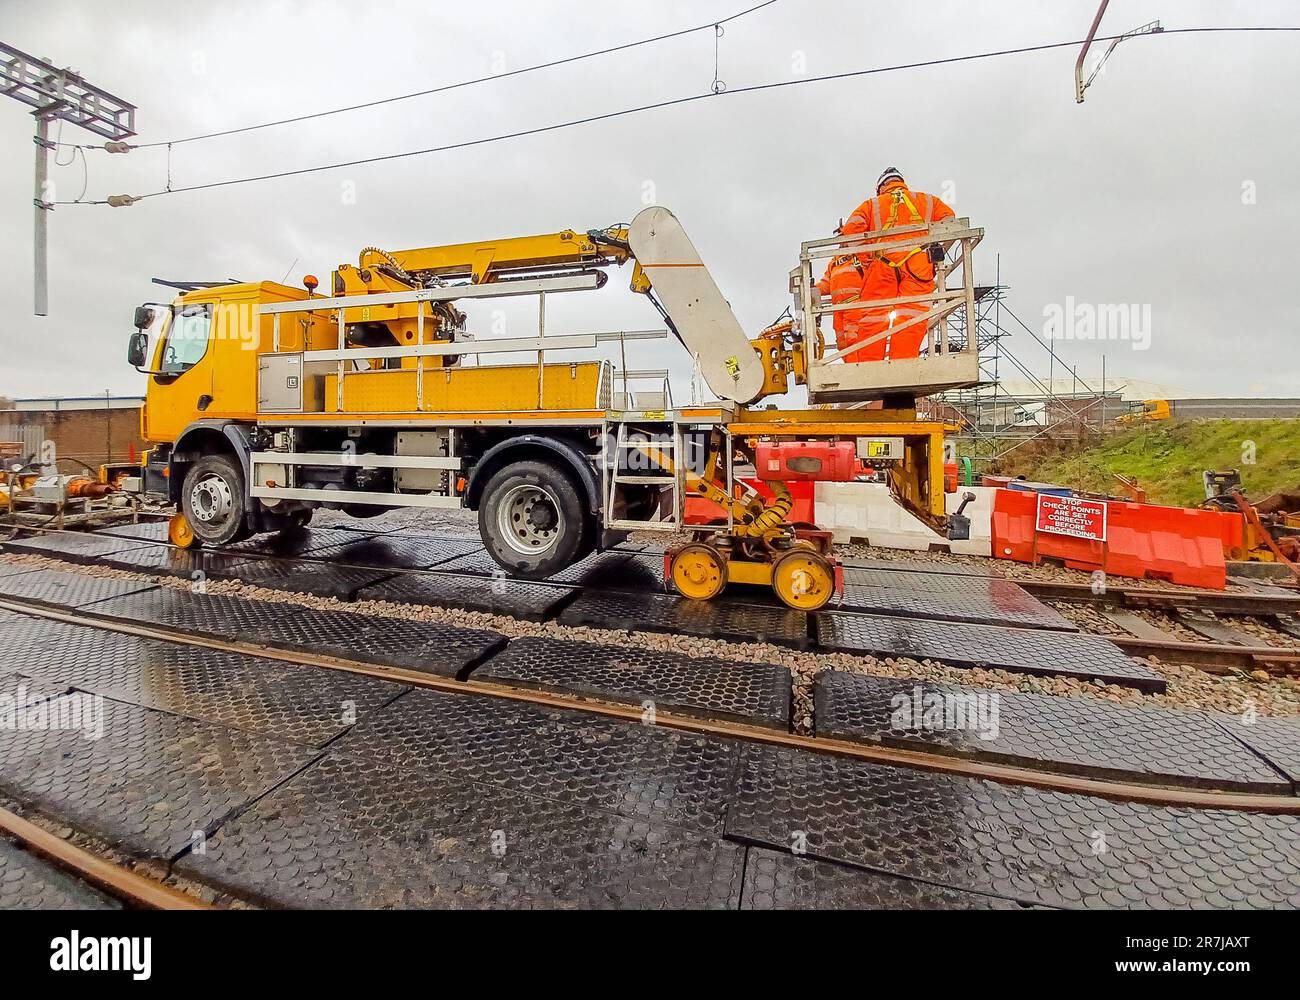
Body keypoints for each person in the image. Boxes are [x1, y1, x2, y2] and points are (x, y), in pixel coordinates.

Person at [838, 167, 955, 360]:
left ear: (882, 186)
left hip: (883, 266)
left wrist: (867, 258)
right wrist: (933, 245)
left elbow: (851, 230)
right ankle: (903, 364)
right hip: (919, 266)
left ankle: (871, 367)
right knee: (912, 317)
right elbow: (950, 221)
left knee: (873, 318)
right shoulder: (928, 200)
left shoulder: (871, 204)